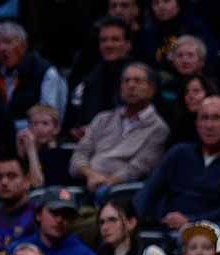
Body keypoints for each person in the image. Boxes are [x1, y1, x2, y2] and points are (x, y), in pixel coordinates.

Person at [135, 96, 220, 230]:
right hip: (166, 229)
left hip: (211, 233)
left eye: (216, 118)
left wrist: (190, 221)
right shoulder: (178, 153)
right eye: (204, 118)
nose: (209, 125)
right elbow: (148, 193)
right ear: (197, 123)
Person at [70, 63, 169, 193]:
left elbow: (138, 168)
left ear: (151, 89)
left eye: (138, 81)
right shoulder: (102, 118)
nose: (131, 86)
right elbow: (79, 155)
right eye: (126, 81)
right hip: (86, 183)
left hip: (120, 191)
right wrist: (91, 175)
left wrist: (107, 183)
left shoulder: (158, 128)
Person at [0, 22, 68, 127]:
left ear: (23, 45)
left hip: (36, 135)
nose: (2, 48)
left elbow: (49, 120)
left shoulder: (45, 72)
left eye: (8, 42)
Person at [68, 17, 134, 132]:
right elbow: (80, 119)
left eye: (115, 40)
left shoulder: (140, 77)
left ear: (128, 45)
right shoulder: (91, 78)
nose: (108, 45)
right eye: (103, 40)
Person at [17, 104, 73, 188]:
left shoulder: (64, 155)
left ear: (56, 128)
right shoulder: (28, 154)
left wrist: (31, 151)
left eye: (45, 123)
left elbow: (38, 184)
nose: (39, 128)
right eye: (35, 124)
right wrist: (20, 151)